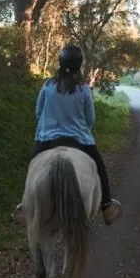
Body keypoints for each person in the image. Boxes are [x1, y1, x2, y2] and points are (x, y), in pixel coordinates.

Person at [26, 44, 123, 225]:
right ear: (80, 64)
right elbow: (90, 118)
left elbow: (38, 112)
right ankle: (107, 206)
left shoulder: (48, 86)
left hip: (48, 139)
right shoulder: (84, 89)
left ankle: (25, 206)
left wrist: (48, 125)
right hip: (80, 140)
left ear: (60, 63)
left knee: (33, 166)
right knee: (100, 168)